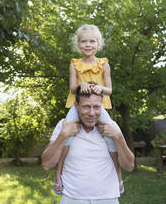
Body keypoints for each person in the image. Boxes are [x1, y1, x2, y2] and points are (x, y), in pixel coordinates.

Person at [54, 24, 124, 195]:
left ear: (98, 44)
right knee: (67, 134)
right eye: (84, 41)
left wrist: (98, 88)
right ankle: (58, 172)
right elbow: (72, 89)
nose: (88, 44)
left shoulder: (104, 64)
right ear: (78, 45)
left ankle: (118, 174)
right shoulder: (75, 64)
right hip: (78, 106)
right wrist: (81, 85)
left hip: (99, 106)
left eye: (92, 41)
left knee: (111, 137)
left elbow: (109, 90)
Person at [42, 83, 135, 204]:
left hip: (107, 199)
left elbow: (129, 166)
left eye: (96, 107)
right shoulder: (64, 125)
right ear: (76, 106)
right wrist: (63, 135)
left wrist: (118, 137)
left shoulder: (111, 127)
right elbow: (46, 165)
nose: (92, 113)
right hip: (72, 199)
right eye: (86, 107)